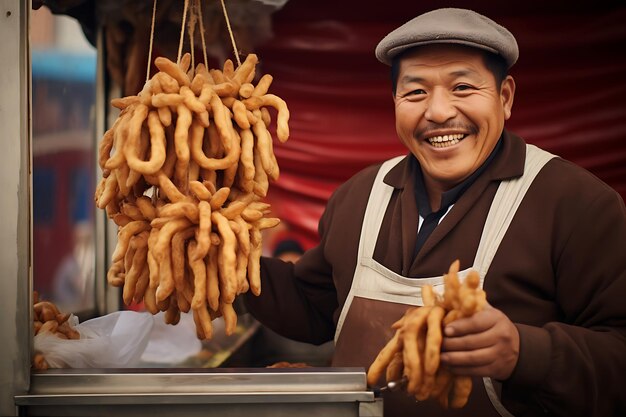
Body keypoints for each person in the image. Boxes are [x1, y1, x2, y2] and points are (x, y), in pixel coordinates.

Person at [243, 7, 626, 417]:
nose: (439, 112)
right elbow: (315, 308)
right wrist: (233, 270)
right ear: (394, 102)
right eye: (416, 92)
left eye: (462, 87)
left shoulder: (576, 203)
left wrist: (524, 352)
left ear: (505, 97)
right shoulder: (360, 195)